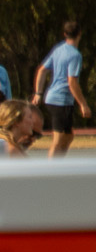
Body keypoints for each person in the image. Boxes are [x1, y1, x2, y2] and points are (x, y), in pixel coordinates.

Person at [35, 20, 90, 158]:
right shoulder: (75, 55)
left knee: (69, 136)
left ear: (65, 34)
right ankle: (51, 172)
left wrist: (38, 93)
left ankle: (59, 164)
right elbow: (72, 82)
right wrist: (83, 104)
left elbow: (42, 70)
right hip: (61, 100)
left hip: (53, 98)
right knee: (58, 139)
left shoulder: (58, 49)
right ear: (80, 34)